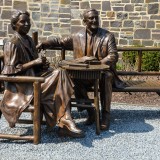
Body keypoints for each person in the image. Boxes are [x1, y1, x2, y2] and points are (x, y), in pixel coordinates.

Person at [37, 8, 126, 130]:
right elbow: (60, 41)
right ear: (85, 21)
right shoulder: (77, 36)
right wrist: (44, 44)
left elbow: (113, 56)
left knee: (107, 77)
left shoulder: (107, 36)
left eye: (96, 17)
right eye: (91, 18)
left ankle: (105, 115)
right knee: (72, 79)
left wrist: (98, 64)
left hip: (102, 72)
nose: (95, 20)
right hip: (83, 73)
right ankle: (91, 112)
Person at [0, 10, 84, 138]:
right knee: (60, 81)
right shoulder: (12, 43)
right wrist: (34, 62)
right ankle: (65, 121)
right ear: (14, 25)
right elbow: (10, 71)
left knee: (61, 73)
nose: (27, 24)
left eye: (28, 21)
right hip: (22, 86)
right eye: (23, 22)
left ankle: (66, 120)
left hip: (35, 78)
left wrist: (42, 64)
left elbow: (35, 64)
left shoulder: (28, 40)